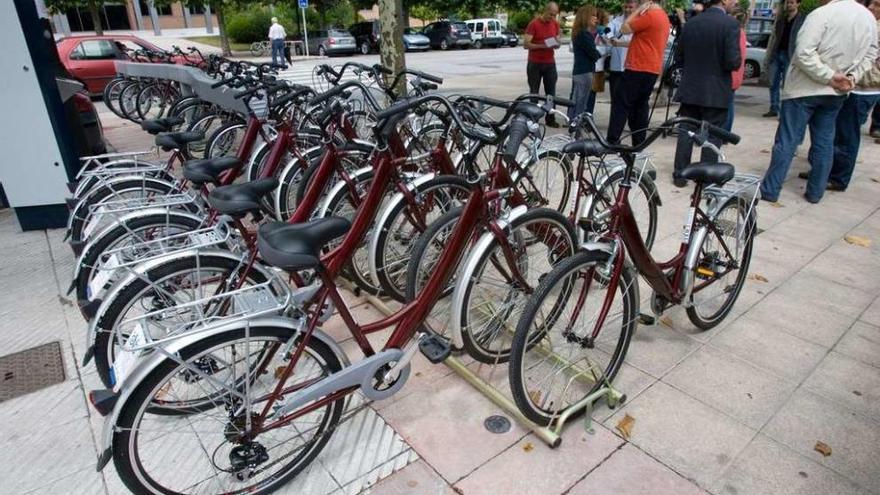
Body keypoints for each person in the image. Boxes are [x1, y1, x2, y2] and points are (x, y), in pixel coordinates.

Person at [759, 0, 877, 204]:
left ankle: (770, 190)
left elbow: (803, 52)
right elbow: (871, 54)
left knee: (787, 141)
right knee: (824, 142)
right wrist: (851, 77)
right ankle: (815, 192)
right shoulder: (867, 18)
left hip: (806, 89)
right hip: (835, 90)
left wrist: (830, 76)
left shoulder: (822, 14)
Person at [671, 0, 741, 186]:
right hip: (715, 91)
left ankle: (680, 174)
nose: (736, 3)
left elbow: (679, 56)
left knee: (686, 132)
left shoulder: (692, 23)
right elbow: (733, 61)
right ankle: (705, 177)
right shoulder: (730, 24)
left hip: (690, 88)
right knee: (712, 135)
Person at [824, 0, 880, 190]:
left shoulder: (875, 29)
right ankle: (825, 170)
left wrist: (856, 72)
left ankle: (839, 177)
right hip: (848, 86)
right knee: (835, 131)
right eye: (871, 3)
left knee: (847, 134)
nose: (872, 8)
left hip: (863, 89)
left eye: (878, 4)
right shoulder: (866, 24)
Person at [606, 0, 671, 146]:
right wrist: (619, 43)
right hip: (651, 67)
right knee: (640, 105)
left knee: (621, 102)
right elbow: (643, 41)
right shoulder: (663, 17)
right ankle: (639, 141)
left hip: (638, 66)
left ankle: (612, 139)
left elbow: (624, 28)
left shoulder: (650, 15)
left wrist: (638, 10)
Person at [524, 2, 562, 126]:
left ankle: (550, 118)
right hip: (535, 63)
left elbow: (558, 40)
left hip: (549, 62)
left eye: (554, 15)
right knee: (534, 92)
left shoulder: (555, 24)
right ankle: (533, 118)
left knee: (551, 93)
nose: (552, 17)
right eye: (550, 14)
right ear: (545, 10)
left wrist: (557, 43)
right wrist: (542, 45)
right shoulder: (534, 24)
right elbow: (526, 44)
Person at [764, 0, 803, 118]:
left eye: (792, 2)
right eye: (788, 3)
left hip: (790, 55)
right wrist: (769, 54)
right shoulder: (781, 20)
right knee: (772, 82)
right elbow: (774, 37)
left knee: (787, 84)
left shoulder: (802, 20)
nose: (789, 5)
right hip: (777, 53)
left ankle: (785, 112)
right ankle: (774, 107)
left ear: (798, 4)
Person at [569, 6, 603, 120]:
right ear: (586, 17)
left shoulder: (580, 33)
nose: (596, 18)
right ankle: (575, 125)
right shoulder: (584, 34)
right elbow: (593, 54)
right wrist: (601, 52)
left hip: (580, 71)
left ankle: (574, 122)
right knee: (580, 102)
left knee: (578, 99)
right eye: (593, 15)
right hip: (584, 71)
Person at [607, 0, 637, 107]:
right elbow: (607, 30)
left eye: (630, 7)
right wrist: (610, 37)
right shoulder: (616, 21)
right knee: (615, 98)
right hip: (617, 67)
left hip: (632, 67)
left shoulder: (639, 22)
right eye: (625, 7)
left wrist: (621, 43)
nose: (627, 10)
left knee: (630, 99)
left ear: (636, 8)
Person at [725, 10, 748, 131]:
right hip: (736, 74)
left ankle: (724, 132)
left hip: (731, 74)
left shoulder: (735, 33)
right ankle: (726, 132)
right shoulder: (741, 34)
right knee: (729, 103)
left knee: (727, 105)